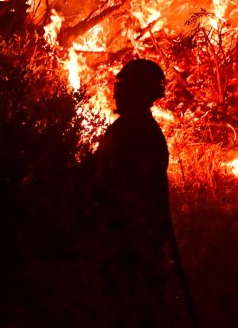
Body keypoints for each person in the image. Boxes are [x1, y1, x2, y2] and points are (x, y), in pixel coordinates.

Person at [89, 59, 174, 327]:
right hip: (141, 239)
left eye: (123, 87)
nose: (116, 93)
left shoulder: (128, 132)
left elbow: (103, 182)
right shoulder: (148, 130)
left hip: (124, 239)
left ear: (136, 92)